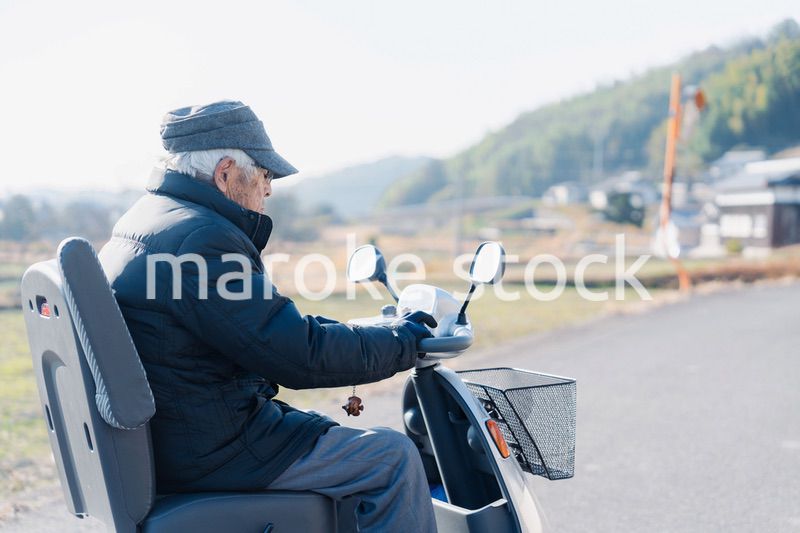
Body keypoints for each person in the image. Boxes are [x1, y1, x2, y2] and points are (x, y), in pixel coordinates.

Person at [98, 100, 438, 532]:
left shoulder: (150, 220)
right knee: (389, 458)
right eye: (264, 174)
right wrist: (405, 341)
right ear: (225, 173)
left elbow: (264, 328)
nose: (270, 189)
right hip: (218, 447)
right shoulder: (201, 239)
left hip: (183, 436)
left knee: (345, 444)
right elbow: (296, 354)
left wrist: (369, 333)